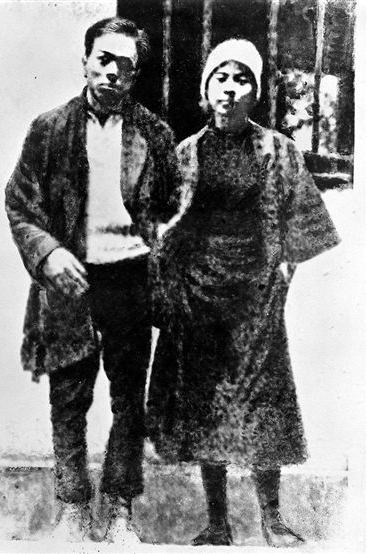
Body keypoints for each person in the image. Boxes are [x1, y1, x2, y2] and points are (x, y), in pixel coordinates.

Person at [147, 38, 340, 547]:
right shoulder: (184, 154)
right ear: (205, 88)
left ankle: (272, 520)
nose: (230, 89)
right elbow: (163, 228)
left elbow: (302, 223)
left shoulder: (280, 151)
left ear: (256, 92)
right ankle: (218, 524)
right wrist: (172, 289)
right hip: (200, 296)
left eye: (241, 80)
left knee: (262, 404)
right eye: (221, 78)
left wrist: (283, 275)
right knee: (208, 406)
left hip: (256, 297)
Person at [5, 17, 181, 544]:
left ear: (135, 75)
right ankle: (74, 511)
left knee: (129, 400)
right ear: (85, 61)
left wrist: (157, 242)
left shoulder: (154, 133)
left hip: (131, 280)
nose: (112, 73)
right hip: (69, 281)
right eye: (104, 59)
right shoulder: (49, 129)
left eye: (125, 66)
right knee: (68, 397)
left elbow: (172, 204)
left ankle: (121, 511)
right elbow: (19, 203)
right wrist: (50, 253)